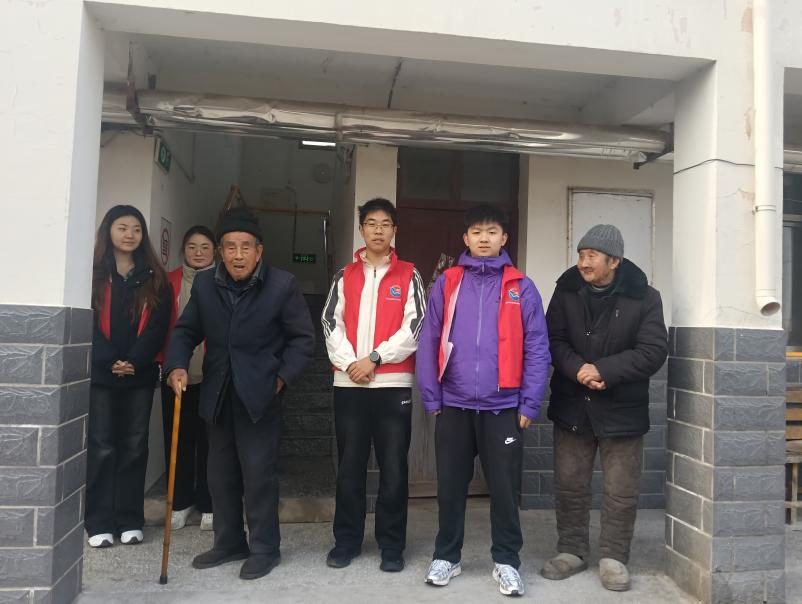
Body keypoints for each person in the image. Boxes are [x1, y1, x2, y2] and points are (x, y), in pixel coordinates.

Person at [164, 206, 314, 581]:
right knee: (220, 475)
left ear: (259, 251)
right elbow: (185, 331)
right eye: (230, 247)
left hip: (260, 396)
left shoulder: (281, 285)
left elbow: (303, 340)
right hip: (217, 394)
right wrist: (177, 365)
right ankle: (229, 542)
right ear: (220, 251)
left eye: (246, 247)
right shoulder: (205, 285)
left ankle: (265, 548)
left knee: (259, 476)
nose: (238, 255)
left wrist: (280, 379)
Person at [416, 204, 551, 597]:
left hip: (503, 407)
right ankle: (447, 556)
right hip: (454, 404)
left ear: (504, 238)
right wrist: (432, 396)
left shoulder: (520, 286)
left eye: (492, 232)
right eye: (477, 232)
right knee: (450, 487)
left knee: (504, 491)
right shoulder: (448, 282)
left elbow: (537, 347)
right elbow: (429, 338)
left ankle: (506, 561)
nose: (484, 238)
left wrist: (529, 403)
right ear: (466, 239)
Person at [541, 224, 668, 592]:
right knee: (570, 484)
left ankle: (614, 556)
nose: (583, 262)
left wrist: (604, 371)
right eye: (581, 255)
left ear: (614, 261)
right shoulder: (566, 290)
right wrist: (578, 369)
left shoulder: (646, 297)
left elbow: (653, 350)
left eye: (591, 256)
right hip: (572, 403)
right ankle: (572, 550)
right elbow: (552, 338)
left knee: (621, 489)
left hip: (622, 407)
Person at [321, 197, 425, 573]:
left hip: (392, 385)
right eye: (371, 224)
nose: (378, 230)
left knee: (393, 468)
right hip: (349, 385)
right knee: (350, 467)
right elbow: (331, 323)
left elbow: (415, 326)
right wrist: (352, 364)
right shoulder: (344, 276)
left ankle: (392, 545)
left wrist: (375, 358)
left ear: (394, 230)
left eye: (385, 224)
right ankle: (346, 541)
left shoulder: (409, 274)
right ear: (361, 229)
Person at [86, 205, 171, 548]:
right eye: (122, 227)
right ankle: (98, 522)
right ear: (108, 231)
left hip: (139, 374)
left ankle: (130, 519)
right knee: (102, 446)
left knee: (135, 446)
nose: (129, 234)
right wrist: (110, 360)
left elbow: (158, 326)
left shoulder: (154, 276)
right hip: (101, 375)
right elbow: (88, 322)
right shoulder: (93, 273)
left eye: (136, 228)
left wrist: (135, 360)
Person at [160, 225, 216, 532]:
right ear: (183, 250)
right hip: (176, 375)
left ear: (215, 251)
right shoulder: (169, 282)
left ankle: (209, 503)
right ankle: (180, 502)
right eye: (192, 246)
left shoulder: (222, 281)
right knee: (178, 441)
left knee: (210, 443)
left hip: (211, 376)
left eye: (205, 247)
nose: (198, 252)